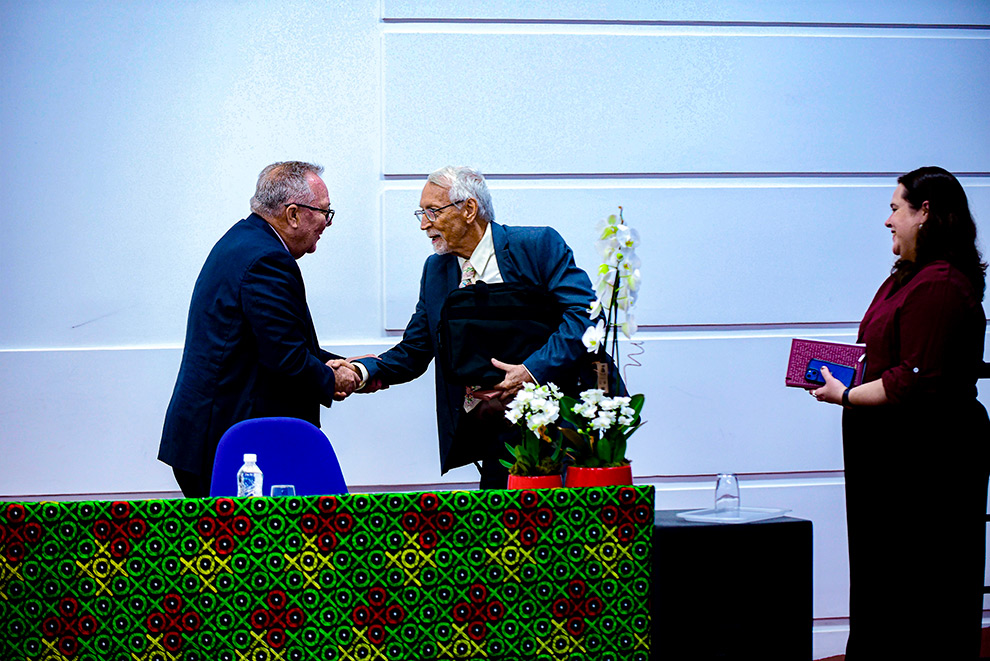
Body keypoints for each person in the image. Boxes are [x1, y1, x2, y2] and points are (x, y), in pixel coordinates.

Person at [812, 166, 989, 659]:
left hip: (925, 461)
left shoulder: (940, 284)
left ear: (924, 212)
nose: (887, 221)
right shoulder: (906, 278)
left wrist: (844, 396)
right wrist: (838, 373)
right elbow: (884, 353)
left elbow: (912, 380)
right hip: (889, 456)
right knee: (882, 576)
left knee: (916, 581)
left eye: (895, 208)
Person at [351, 166, 596, 488]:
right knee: (499, 533)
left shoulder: (537, 245)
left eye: (432, 212)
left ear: (469, 209)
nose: (424, 224)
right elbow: (416, 348)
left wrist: (531, 370)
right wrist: (359, 372)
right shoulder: (437, 269)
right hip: (493, 433)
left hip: (558, 425)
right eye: (421, 214)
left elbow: (584, 314)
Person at [159, 161, 360, 497]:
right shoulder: (267, 259)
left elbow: (269, 341)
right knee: (247, 547)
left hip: (211, 434)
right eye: (324, 212)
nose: (327, 222)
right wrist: (332, 378)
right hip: (229, 445)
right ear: (293, 214)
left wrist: (337, 363)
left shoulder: (244, 241)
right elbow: (284, 356)